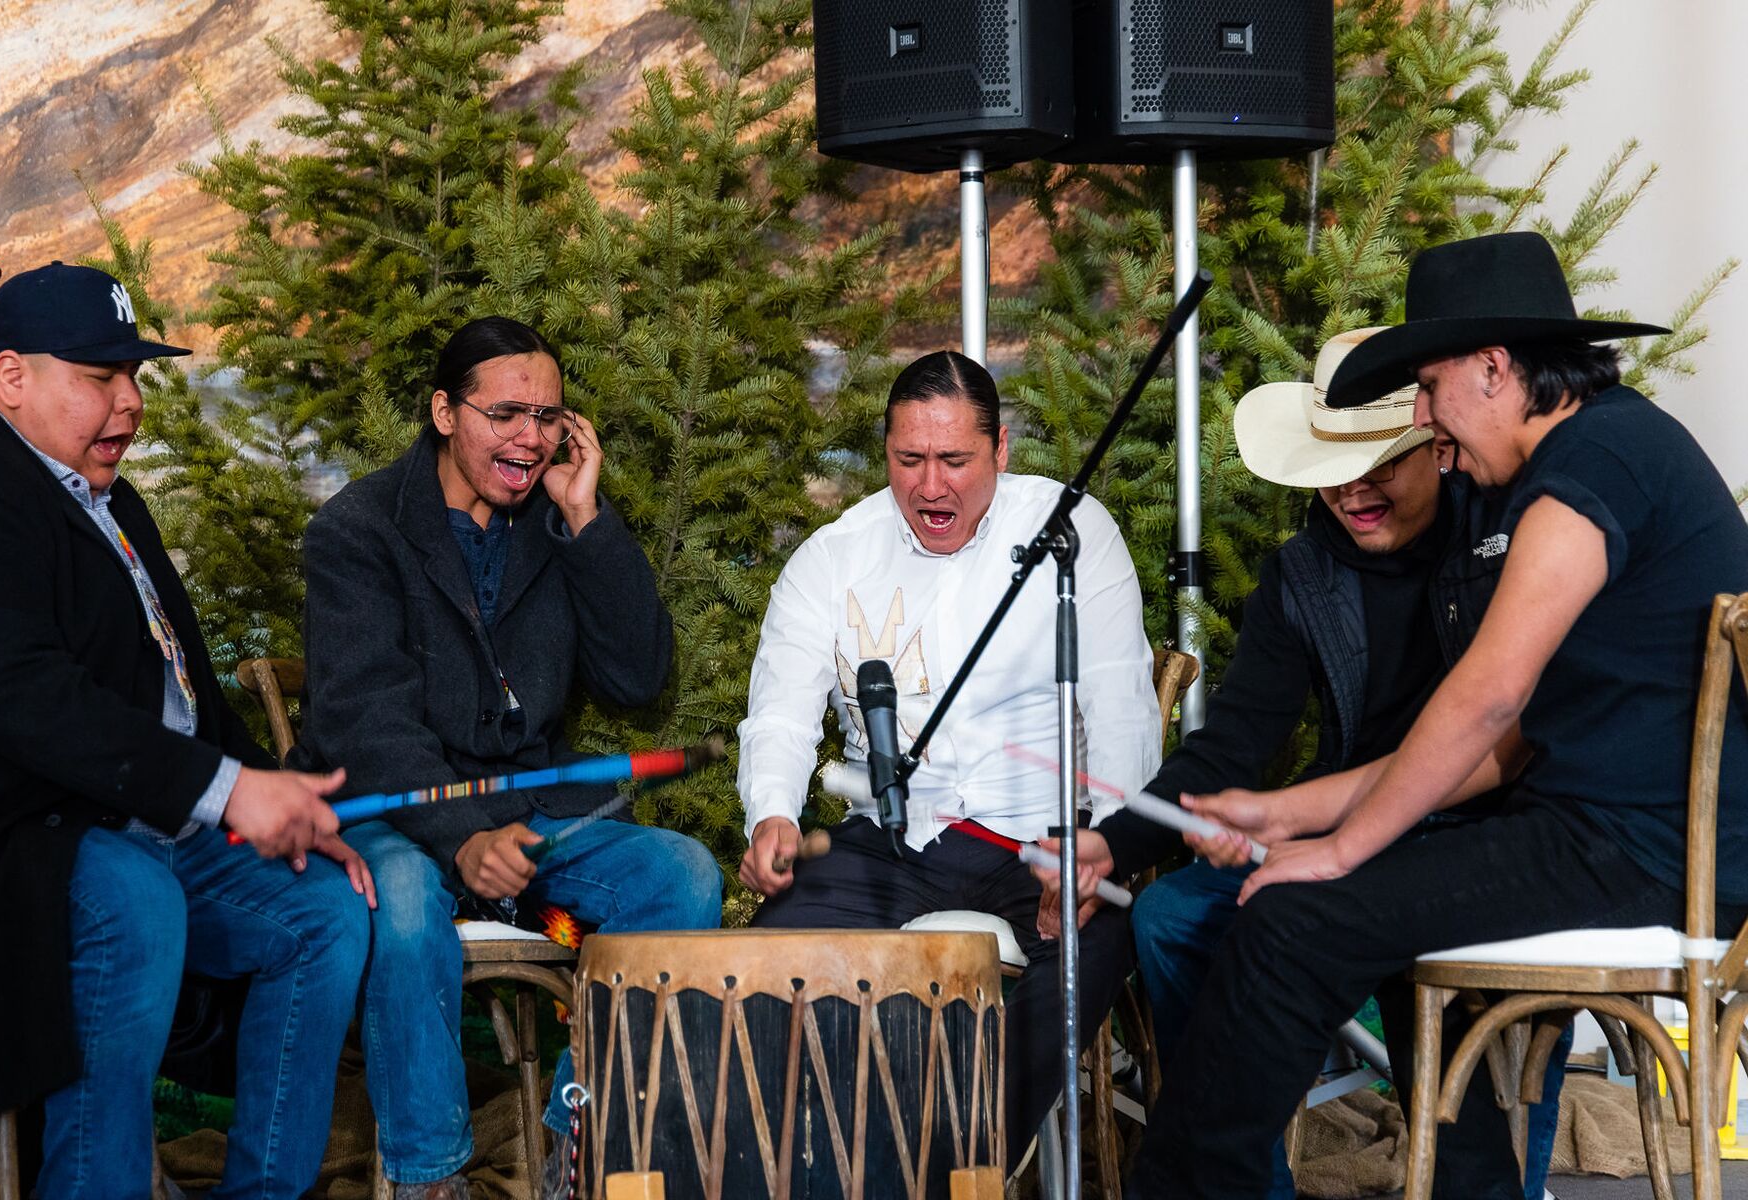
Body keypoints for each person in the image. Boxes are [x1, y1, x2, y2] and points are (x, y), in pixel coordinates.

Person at [1131, 231, 1748, 1199]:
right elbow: (1497, 748)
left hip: (1637, 854)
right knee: (1315, 901)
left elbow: (1487, 694)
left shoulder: (1594, 462)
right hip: (1600, 837)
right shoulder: (1597, 451)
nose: (1421, 419)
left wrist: (1338, 853)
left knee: (1290, 918)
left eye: (1426, 388)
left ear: (1494, 370)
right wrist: (1289, 814)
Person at [0, 262, 374, 1200]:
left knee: (319, 908)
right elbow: (26, 696)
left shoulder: (103, 497)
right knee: (131, 899)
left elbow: (189, 699)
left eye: (134, 375)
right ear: (11, 376)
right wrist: (228, 792)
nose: (130, 402)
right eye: (100, 376)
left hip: (80, 827)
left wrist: (278, 802)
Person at [1045, 328, 1565, 1197]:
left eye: (1379, 465)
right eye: (1329, 467)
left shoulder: (1507, 538)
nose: (1351, 491)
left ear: (1437, 448)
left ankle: (1505, 1183)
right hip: (1340, 831)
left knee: (1426, 938)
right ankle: (1238, 1180)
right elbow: (1237, 737)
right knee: (1172, 916)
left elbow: (1515, 724)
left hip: (1488, 834)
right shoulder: (1300, 576)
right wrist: (1121, 840)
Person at [292, 315, 723, 1200]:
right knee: (406, 901)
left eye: (551, 416)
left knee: (680, 877)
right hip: (393, 814)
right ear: (446, 413)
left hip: (528, 818)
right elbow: (366, 725)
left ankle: (578, 1142)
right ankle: (429, 1177)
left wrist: (587, 520)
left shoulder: (553, 521)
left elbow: (639, 678)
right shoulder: (359, 530)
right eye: (508, 414)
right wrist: (458, 836)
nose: (532, 438)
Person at [737, 349, 1161, 1166]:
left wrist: (1096, 846)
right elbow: (781, 715)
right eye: (909, 460)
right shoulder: (834, 556)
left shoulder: (1073, 533)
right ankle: (812, 1169)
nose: (932, 487)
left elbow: (1122, 711)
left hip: (1041, 838)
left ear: (1001, 450)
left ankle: (960, 1169)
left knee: (1092, 948)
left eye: (955, 461)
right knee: (769, 959)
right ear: (885, 452)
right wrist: (774, 815)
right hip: (893, 843)